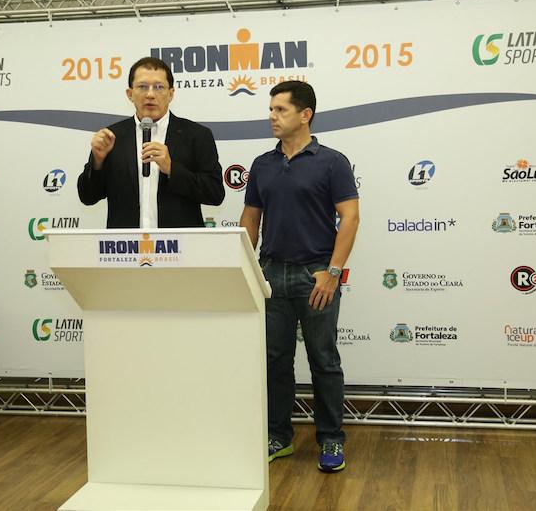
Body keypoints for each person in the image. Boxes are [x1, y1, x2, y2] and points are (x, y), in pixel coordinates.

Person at [239, 81, 359, 473]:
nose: (272, 117)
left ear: (305, 115)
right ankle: (278, 436)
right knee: (275, 361)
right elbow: (250, 220)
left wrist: (333, 273)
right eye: (271, 109)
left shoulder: (332, 162)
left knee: (324, 360)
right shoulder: (262, 164)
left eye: (280, 110)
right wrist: (248, 269)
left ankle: (331, 439)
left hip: (316, 276)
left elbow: (350, 218)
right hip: (272, 275)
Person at [77, 57, 224, 228]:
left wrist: (172, 169)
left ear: (171, 94)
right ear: (130, 94)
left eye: (159, 87)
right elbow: (87, 197)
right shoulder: (112, 137)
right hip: (126, 243)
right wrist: (97, 162)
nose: (150, 94)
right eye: (142, 87)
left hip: (179, 242)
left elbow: (215, 194)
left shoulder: (197, 135)